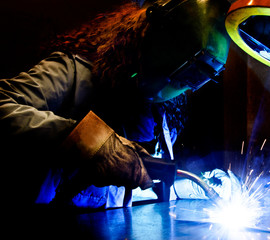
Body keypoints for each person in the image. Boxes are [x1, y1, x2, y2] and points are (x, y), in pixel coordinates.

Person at [0, 0, 231, 209]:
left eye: (200, 77)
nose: (188, 85)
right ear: (160, 40)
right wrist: (86, 142)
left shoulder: (162, 117)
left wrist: (190, 187)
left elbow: (129, 191)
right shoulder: (70, 75)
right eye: (190, 69)